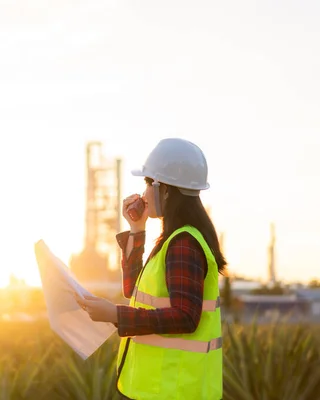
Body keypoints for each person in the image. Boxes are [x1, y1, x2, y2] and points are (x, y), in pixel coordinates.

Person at [76, 138, 227, 400]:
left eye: (148, 184)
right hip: (158, 389)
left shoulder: (184, 244)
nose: (144, 193)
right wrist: (137, 230)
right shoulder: (174, 240)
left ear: (164, 189)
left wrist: (115, 314)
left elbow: (185, 317)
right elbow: (134, 291)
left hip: (171, 391)